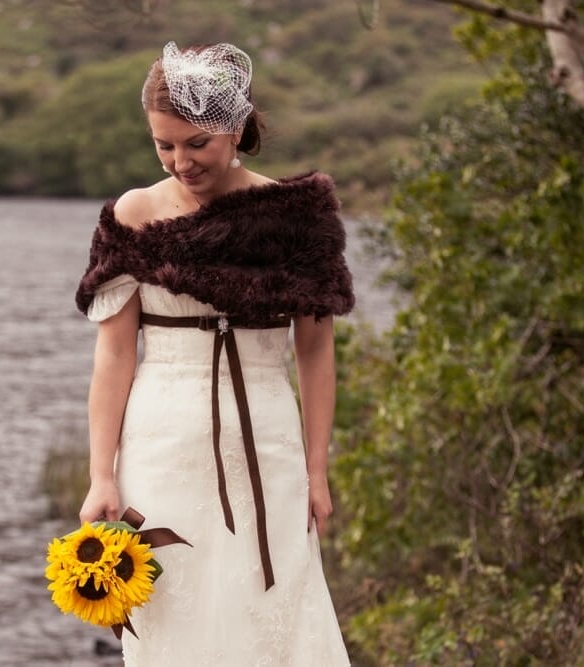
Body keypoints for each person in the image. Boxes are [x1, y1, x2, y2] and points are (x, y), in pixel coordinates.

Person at [74, 41, 353, 665]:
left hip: (267, 433)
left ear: (234, 128)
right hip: (160, 437)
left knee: (272, 599)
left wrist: (315, 468)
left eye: (196, 143)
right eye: (164, 146)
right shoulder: (133, 213)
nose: (180, 162)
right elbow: (115, 357)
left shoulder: (296, 216)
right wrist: (101, 475)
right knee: (174, 605)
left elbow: (314, 353)